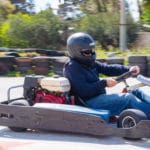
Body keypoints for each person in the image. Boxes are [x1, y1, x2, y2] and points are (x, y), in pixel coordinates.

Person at [63, 32, 150, 119]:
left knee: (135, 91)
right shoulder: (72, 67)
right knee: (128, 98)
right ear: (76, 51)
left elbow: (108, 69)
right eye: (87, 52)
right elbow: (83, 91)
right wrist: (104, 83)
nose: (90, 54)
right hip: (88, 102)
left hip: (99, 97)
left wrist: (128, 69)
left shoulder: (89, 63)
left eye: (92, 50)